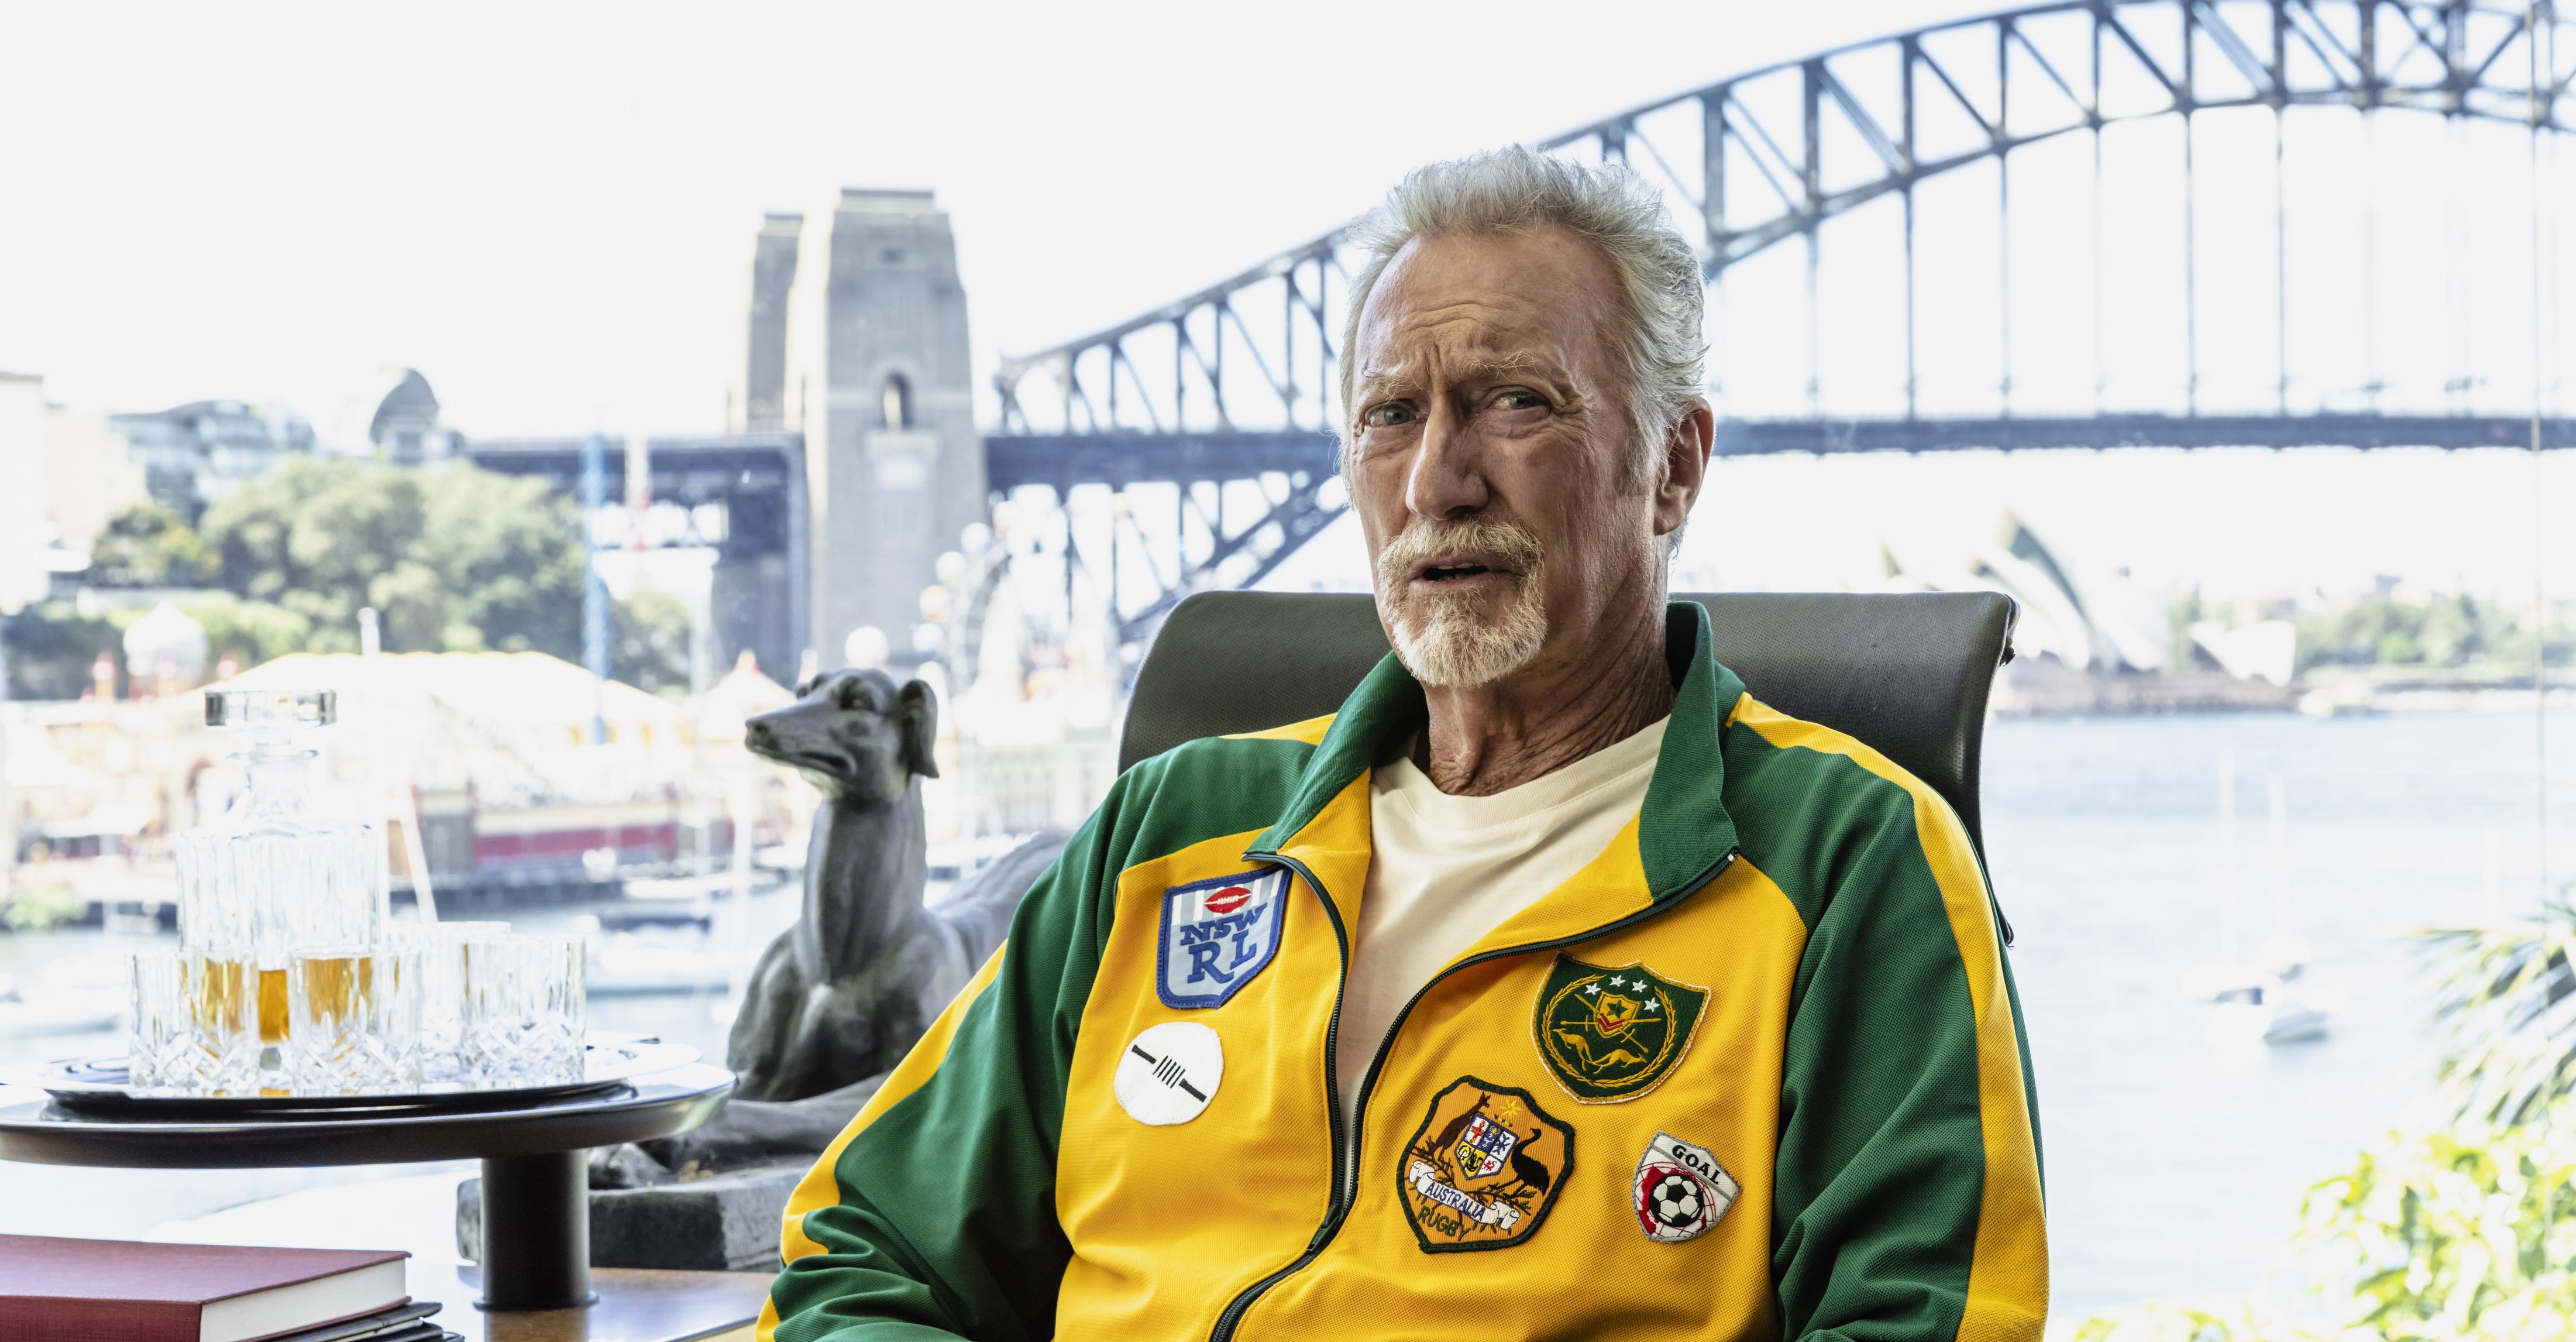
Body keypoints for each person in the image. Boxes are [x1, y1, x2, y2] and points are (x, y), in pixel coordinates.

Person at [759, 147, 2046, 1341]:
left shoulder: (1848, 867)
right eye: (1391, 416)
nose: (1438, 479)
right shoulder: (1169, 831)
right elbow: (860, 1248)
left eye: (1515, 402)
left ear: (1672, 467)